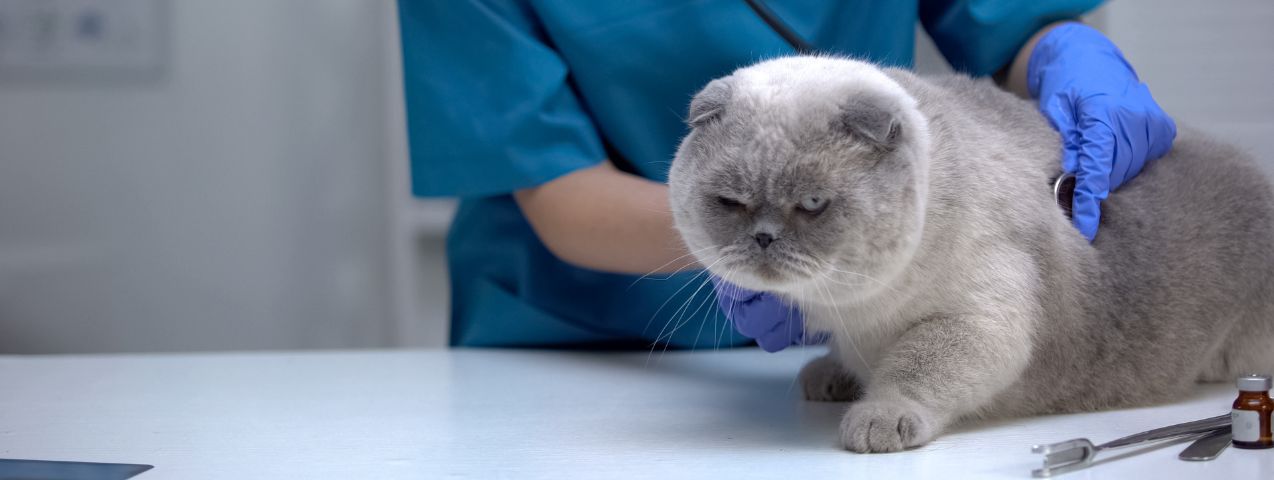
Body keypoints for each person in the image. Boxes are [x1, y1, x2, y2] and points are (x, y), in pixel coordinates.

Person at [399, 1, 1176, 349]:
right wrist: (756, 250)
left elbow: (1009, 17)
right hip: (574, 341)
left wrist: (1062, 50)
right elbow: (558, 188)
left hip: (866, 306)